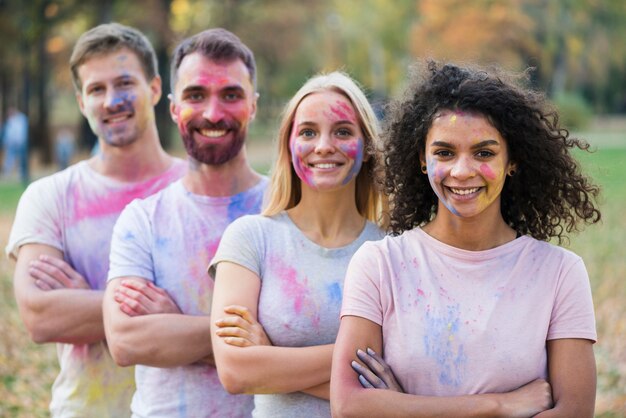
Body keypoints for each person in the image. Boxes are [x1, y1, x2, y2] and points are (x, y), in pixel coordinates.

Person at [331, 61, 601, 417]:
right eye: (444, 152)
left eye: (484, 153)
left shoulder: (560, 273)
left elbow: (573, 413)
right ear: (422, 160)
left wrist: (403, 408)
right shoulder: (379, 265)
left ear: (512, 161)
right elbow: (349, 406)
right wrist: (500, 406)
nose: (462, 171)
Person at [6, 23, 186, 417]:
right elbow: (39, 316)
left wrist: (87, 300)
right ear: (80, 100)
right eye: (96, 89)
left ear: (154, 89)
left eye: (124, 83)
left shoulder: (197, 190)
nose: (111, 100)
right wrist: (165, 313)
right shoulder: (50, 197)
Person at [102, 28, 268, 417]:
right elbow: (125, 341)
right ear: (175, 108)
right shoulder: (143, 220)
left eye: (231, 95)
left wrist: (175, 327)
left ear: (253, 106)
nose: (213, 113)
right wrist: (257, 342)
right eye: (196, 95)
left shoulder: (289, 210)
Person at [209, 71, 386, 417]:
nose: (323, 146)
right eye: (308, 132)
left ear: (366, 149)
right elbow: (235, 372)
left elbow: (405, 384)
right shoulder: (250, 238)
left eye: (343, 132)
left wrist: (270, 354)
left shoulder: (392, 248)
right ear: (289, 147)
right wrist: (361, 364)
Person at [1, 106, 29, 183]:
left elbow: (23, 132)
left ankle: (21, 174)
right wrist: (6, 142)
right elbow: (8, 132)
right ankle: (7, 173)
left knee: (21, 159)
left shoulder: (21, 119)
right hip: (12, 143)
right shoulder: (11, 120)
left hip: (20, 143)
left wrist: (22, 141)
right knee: (9, 158)